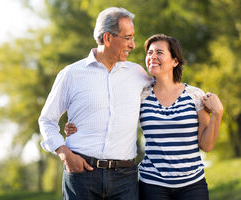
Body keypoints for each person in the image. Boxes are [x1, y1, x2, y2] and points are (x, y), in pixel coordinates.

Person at [65, 34, 223, 200]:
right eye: (149, 53)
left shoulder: (195, 95)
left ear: (175, 61)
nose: (152, 56)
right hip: (152, 185)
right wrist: (77, 125)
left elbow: (206, 145)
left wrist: (217, 113)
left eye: (159, 52)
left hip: (192, 184)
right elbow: (109, 113)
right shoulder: (141, 94)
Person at [38, 7, 152, 200]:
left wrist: (201, 99)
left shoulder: (137, 74)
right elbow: (47, 120)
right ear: (107, 38)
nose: (133, 45)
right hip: (81, 176)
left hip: (125, 178)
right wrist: (64, 153)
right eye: (128, 37)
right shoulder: (71, 74)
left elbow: (166, 90)